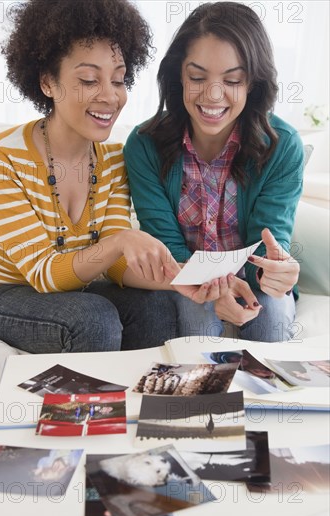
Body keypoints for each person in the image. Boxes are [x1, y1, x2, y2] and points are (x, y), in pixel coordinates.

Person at [0, 0, 218, 355]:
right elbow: (45, 273)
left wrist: (181, 281)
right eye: (88, 79)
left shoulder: (113, 159)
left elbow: (116, 265)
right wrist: (122, 240)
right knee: (91, 316)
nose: (110, 96)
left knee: (153, 305)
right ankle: (90, 411)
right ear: (47, 82)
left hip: (66, 295)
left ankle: (146, 406)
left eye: (118, 79)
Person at [124, 1, 304, 342]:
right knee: (199, 321)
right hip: (186, 276)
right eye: (197, 77)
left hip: (250, 278)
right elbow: (166, 246)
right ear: (179, 75)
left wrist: (276, 273)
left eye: (232, 80)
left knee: (271, 317)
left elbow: (269, 245)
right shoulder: (143, 145)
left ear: (253, 83)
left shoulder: (283, 146)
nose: (213, 95)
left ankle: (268, 399)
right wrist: (212, 288)